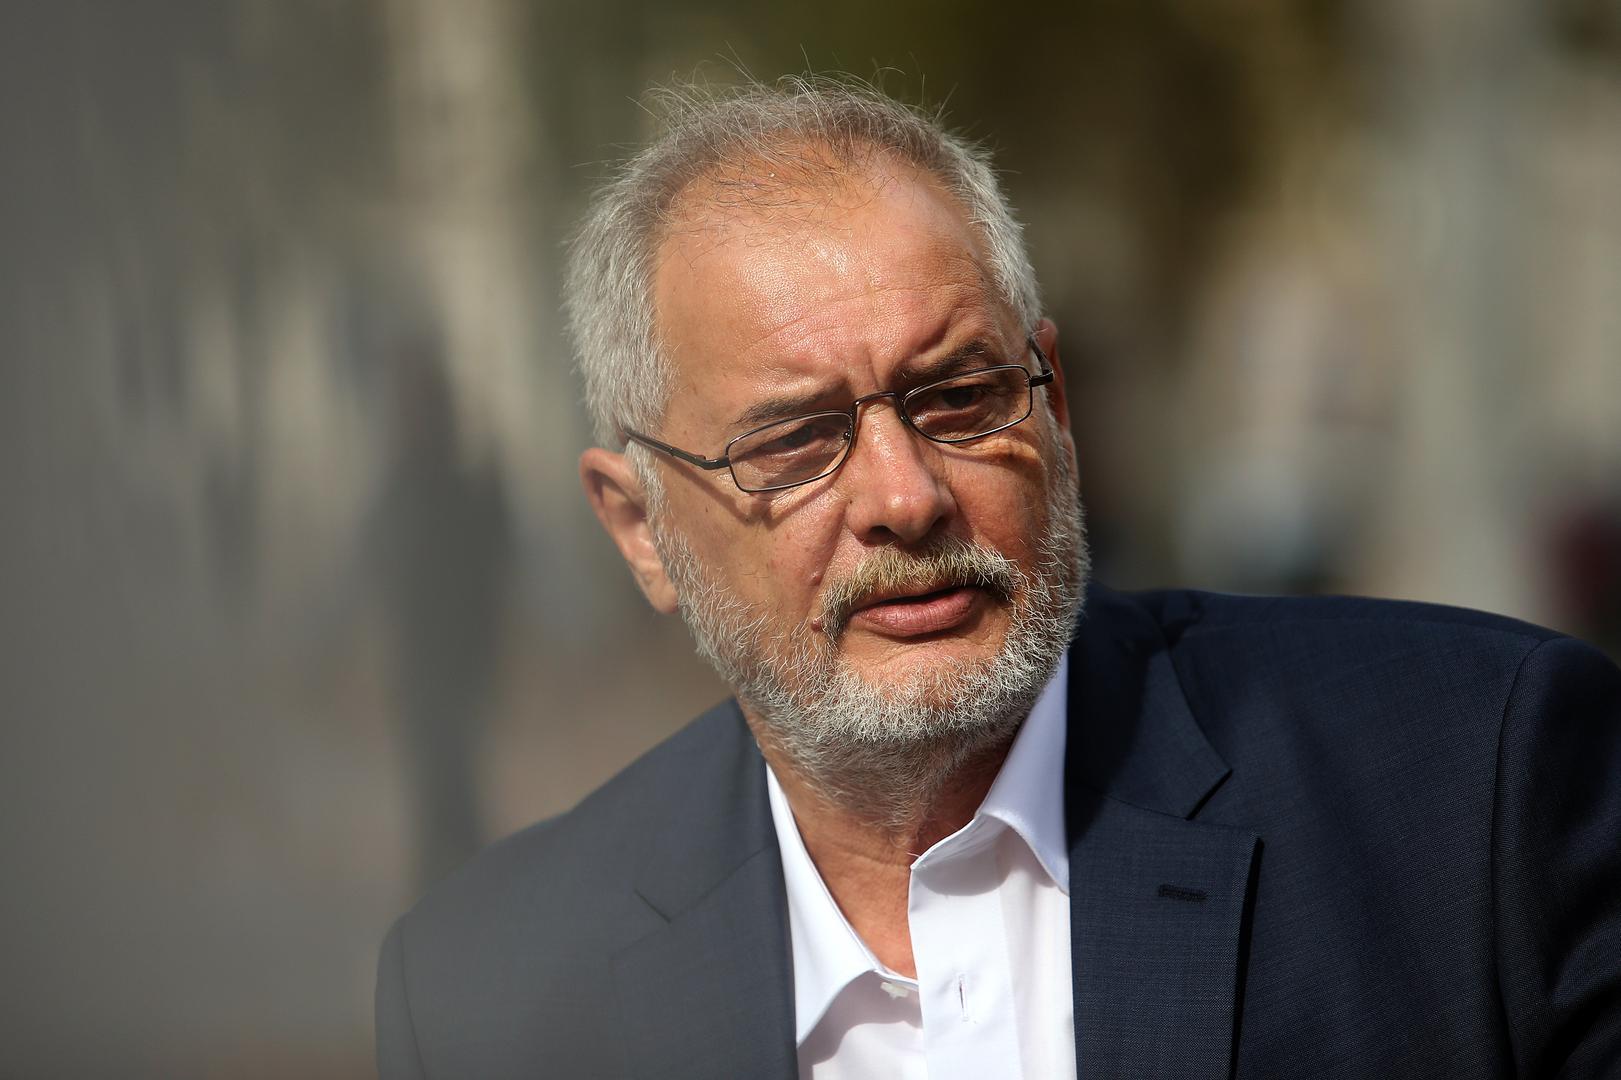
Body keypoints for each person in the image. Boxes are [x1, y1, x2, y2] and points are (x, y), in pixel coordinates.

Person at [375, 78, 1621, 1079]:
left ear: (1054, 406)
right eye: (795, 441)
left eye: (961, 396)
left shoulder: (1476, 791)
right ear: (641, 526)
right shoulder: (490, 995)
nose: (905, 496)